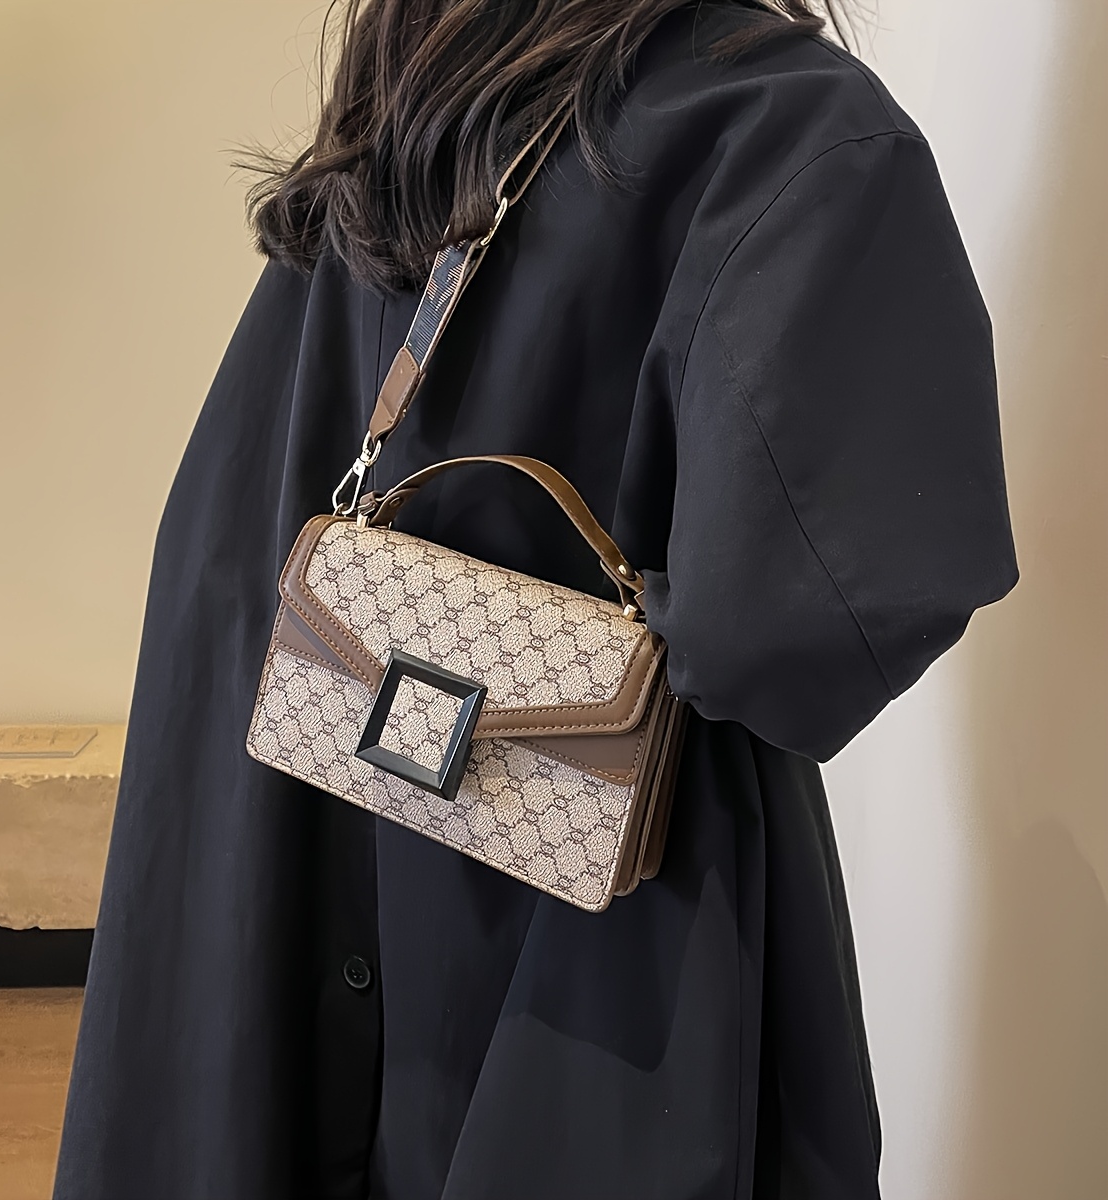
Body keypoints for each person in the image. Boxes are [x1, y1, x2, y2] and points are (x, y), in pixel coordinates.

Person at [53, 1, 1017, 1197]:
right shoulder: (780, 122)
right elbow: (803, 625)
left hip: (288, 761)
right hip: (586, 913)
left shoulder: (420, 72)